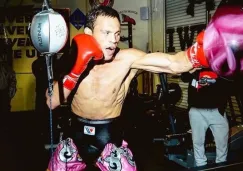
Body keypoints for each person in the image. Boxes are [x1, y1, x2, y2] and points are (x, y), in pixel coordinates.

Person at [45, 4, 243, 171]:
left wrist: (205, 49)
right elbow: (51, 101)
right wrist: (74, 71)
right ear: (88, 33)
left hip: (109, 140)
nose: (114, 40)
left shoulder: (126, 59)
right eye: (106, 33)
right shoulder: (71, 59)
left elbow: (174, 63)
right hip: (74, 136)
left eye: (116, 34)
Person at [181, 69, 232, 167]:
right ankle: (200, 166)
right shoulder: (195, 62)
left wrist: (215, 81)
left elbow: (232, 85)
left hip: (217, 110)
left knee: (222, 144)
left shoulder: (221, 62)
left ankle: (221, 166)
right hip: (197, 111)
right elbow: (184, 77)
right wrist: (192, 69)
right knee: (198, 142)